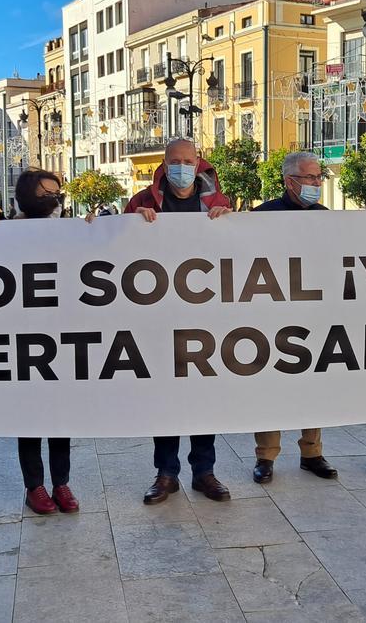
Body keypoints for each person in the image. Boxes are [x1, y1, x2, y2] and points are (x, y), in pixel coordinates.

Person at [120, 138, 234, 505]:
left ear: (198, 161)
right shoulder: (142, 201)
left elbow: (237, 252)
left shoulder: (217, 202)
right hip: (158, 316)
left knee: (204, 397)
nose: (182, 165)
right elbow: (116, 246)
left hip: (205, 317)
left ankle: (205, 472)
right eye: (175, 160)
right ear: (164, 163)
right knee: (165, 398)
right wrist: (132, 225)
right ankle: (166, 473)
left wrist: (228, 223)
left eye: (188, 159)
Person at [0, 169, 81, 514]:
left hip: (62, 337)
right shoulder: (2, 233)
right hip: (23, 340)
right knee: (30, 418)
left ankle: (62, 483)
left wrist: (99, 232)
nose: (54, 200)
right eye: (46, 194)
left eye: (57, 194)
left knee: (61, 418)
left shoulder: (69, 232)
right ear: (26, 196)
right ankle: (34, 486)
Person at [248, 151, 338, 484]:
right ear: (290, 181)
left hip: (313, 315)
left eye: (319, 178)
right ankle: (266, 456)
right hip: (272, 317)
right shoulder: (263, 216)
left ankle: (312, 453)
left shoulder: (325, 217)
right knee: (272, 387)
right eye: (311, 178)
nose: (317, 184)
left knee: (312, 384)